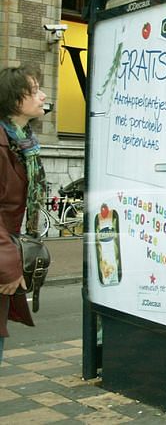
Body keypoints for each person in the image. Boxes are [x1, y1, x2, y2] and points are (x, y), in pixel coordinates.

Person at [1, 66, 46, 363]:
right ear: (16, 100)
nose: (44, 96)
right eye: (35, 90)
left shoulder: (22, 141)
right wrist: (7, 266)